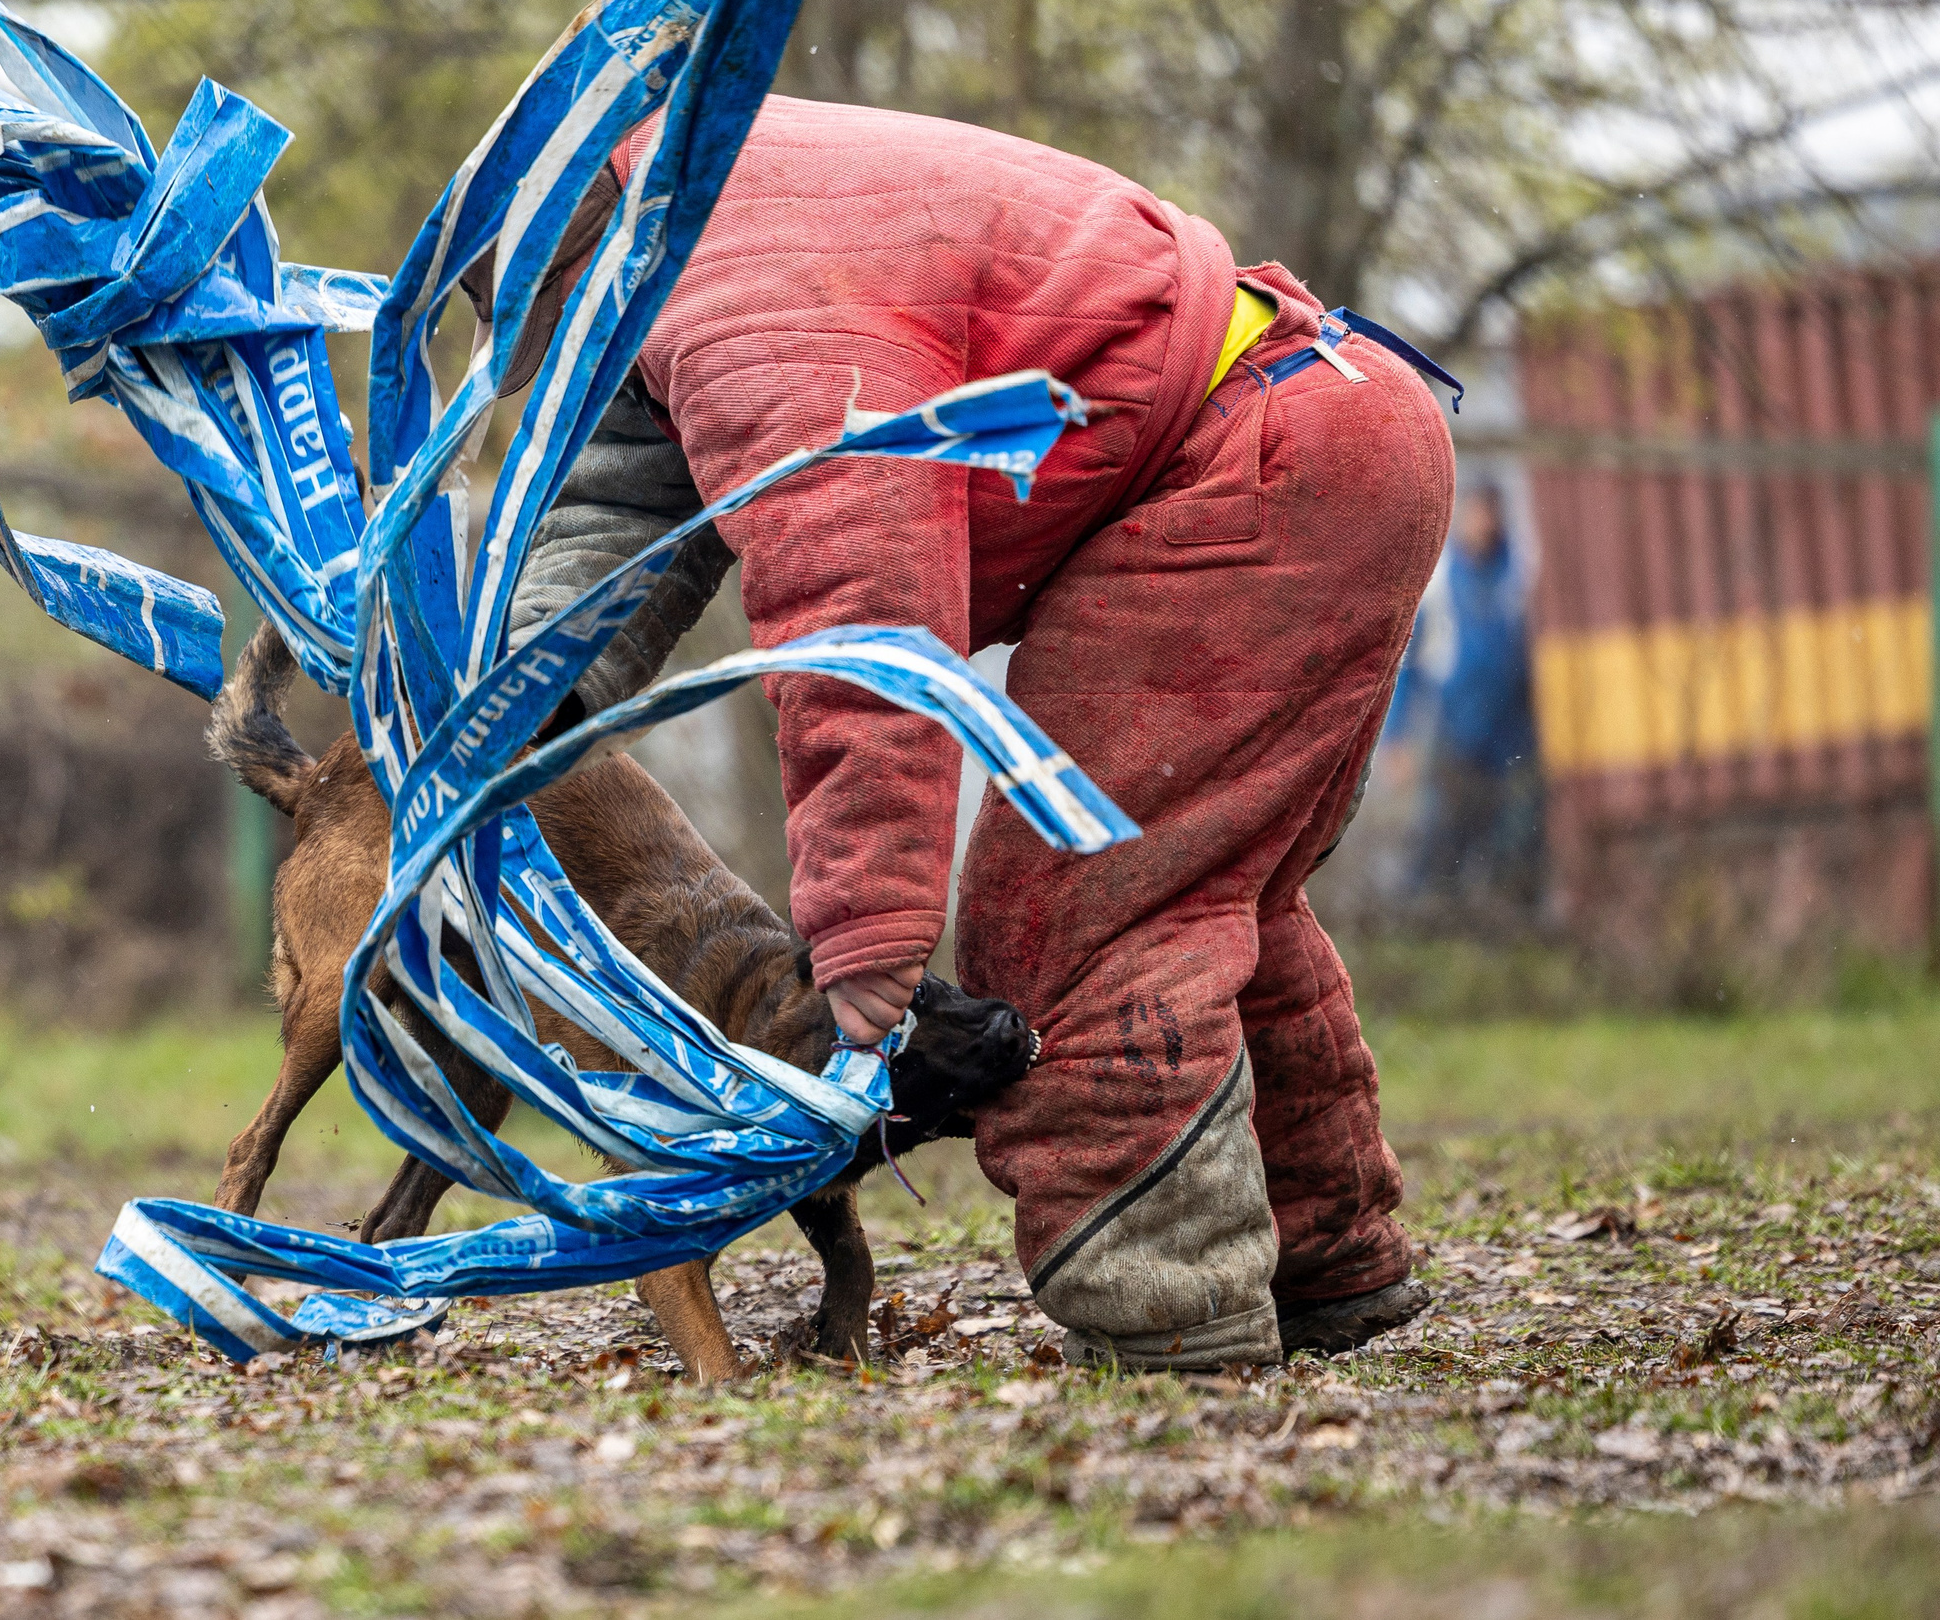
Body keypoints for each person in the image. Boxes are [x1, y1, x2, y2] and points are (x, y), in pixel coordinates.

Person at [496, 96, 1455, 1369]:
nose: (556, 374)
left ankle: (1172, 1323)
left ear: (571, 265)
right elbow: (626, 488)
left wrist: (866, 942)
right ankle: (1327, 1261)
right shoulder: (704, 225)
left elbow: (863, 638)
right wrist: (514, 706)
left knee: (1076, 907)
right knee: (1203, 892)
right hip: (1324, 420)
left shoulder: (752, 303)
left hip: (1264, 463)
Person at [1386, 486, 1542, 921]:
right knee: (1444, 825)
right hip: (1453, 722)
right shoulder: (1439, 581)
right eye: (1476, 515)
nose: (1483, 525)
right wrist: (1398, 734)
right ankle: (1427, 916)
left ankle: (1508, 914)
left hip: (1512, 725)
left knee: (1513, 827)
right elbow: (1410, 666)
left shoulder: (1519, 572)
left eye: (1490, 516)